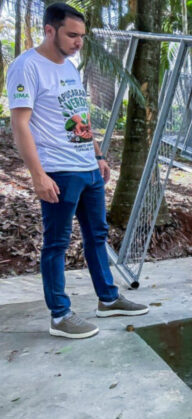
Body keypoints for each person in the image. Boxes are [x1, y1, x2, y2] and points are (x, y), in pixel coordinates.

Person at [7, 3, 148, 340]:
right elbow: (20, 125)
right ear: (49, 30)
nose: (78, 42)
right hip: (59, 171)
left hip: (87, 169)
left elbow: (79, 115)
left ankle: (108, 299)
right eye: (72, 35)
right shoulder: (26, 67)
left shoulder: (70, 68)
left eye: (82, 36)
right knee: (56, 243)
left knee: (97, 236)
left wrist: (98, 155)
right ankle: (60, 315)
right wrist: (38, 175)